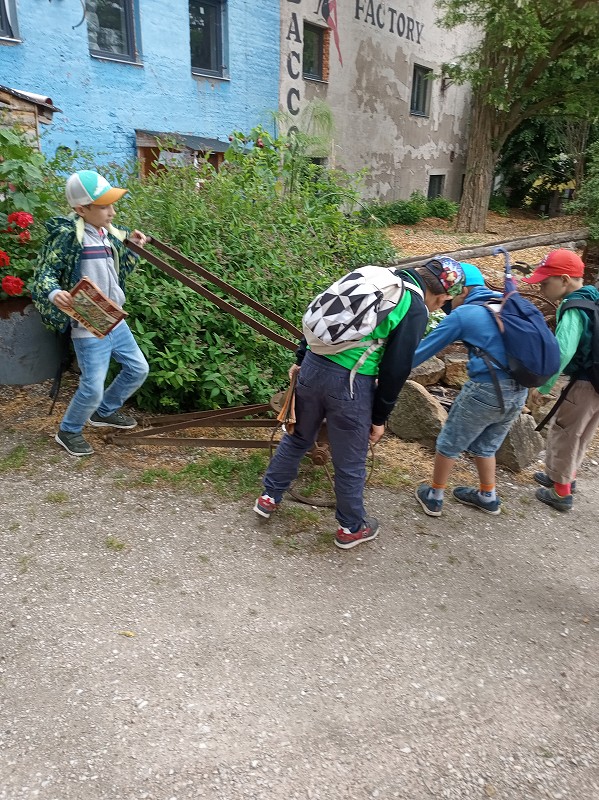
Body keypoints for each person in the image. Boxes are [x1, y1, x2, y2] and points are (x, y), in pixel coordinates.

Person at [253, 258, 465, 549]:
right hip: (350, 383)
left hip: (312, 368)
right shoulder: (413, 306)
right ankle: (351, 527)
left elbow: (322, 317)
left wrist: (301, 359)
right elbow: (395, 369)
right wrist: (380, 417)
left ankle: (268, 497)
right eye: (442, 303)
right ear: (442, 296)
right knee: (350, 460)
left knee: (298, 436)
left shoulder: (375, 275)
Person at [32, 170, 149, 457]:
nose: (112, 211)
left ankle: (104, 412)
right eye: (105, 206)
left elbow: (119, 273)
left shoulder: (106, 234)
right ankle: (68, 430)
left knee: (138, 369)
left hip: (113, 318)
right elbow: (43, 274)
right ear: (81, 209)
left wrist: (132, 249)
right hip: (89, 326)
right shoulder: (69, 236)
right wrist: (53, 292)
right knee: (93, 387)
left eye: (112, 204)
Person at [413, 263, 528, 517]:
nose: (447, 305)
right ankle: (488, 496)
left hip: (486, 389)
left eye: (449, 297)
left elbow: (419, 353)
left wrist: (383, 372)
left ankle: (434, 495)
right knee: (487, 445)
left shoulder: (466, 314)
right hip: (519, 391)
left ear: (462, 289)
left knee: (449, 442)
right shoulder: (509, 303)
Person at [524, 249, 599, 512]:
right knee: (582, 432)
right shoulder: (594, 297)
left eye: (545, 282)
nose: (542, 288)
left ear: (564, 280)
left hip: (585, 382)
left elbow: (563, 351)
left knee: (564, 432)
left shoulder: (573, 308)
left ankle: (561, 492)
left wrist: (542, 384)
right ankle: (564, 476)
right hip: (596, 381)